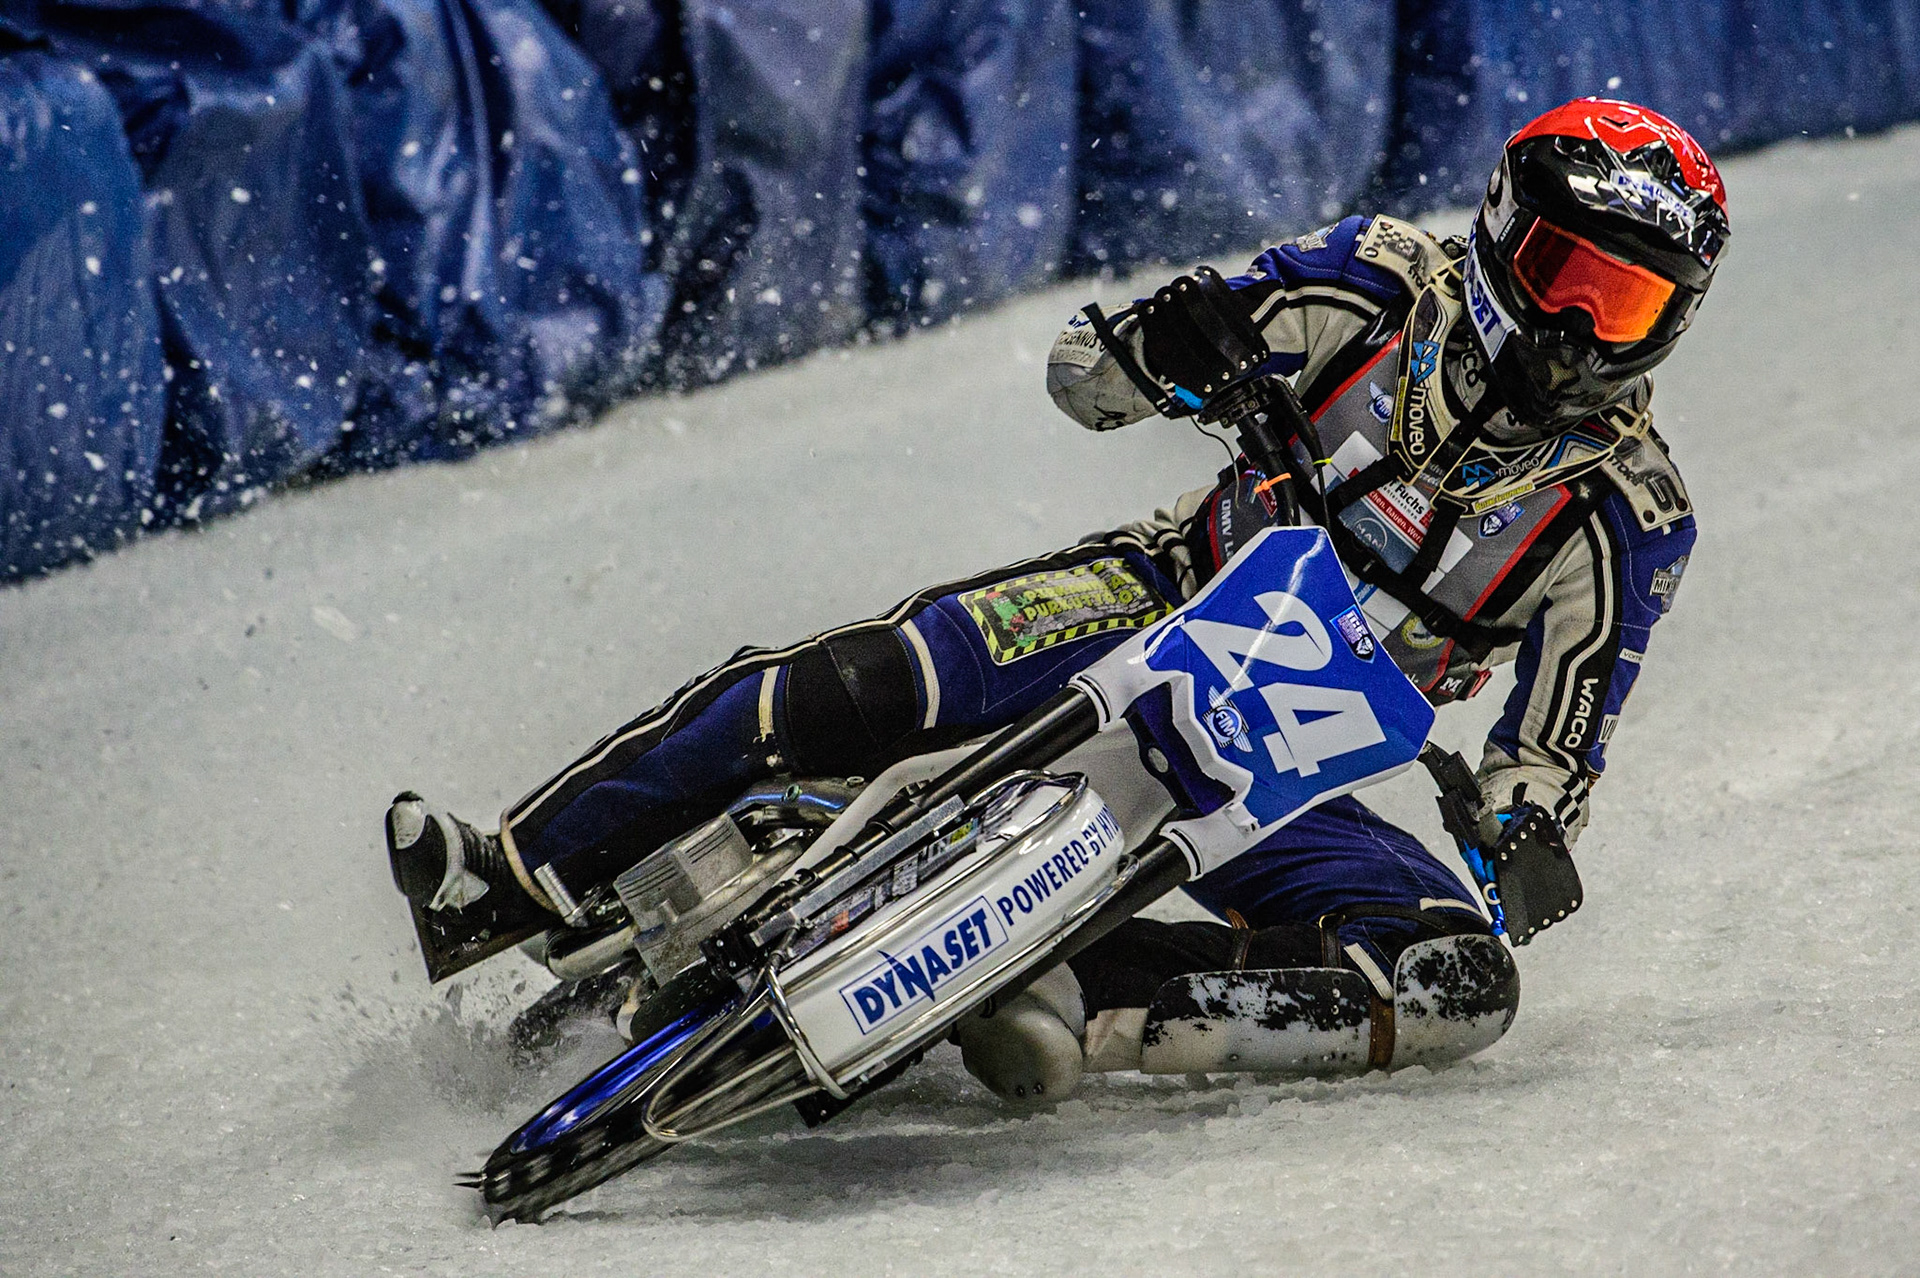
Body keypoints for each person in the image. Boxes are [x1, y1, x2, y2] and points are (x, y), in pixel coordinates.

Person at [386, 98, 1726, 1100]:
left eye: (1624, 303)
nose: (1573, 331)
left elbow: (1557, 739)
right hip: (1155, 591)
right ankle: (510, 874)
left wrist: (1523, 827)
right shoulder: (1374, 281)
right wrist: (1164, 347)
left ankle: (1071, 988)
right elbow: (1085, 369)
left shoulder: (1626, 513)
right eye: (1565, 276)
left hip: (1289, 758)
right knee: (865, 679)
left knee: (1454, 978)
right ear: (1499, 233)